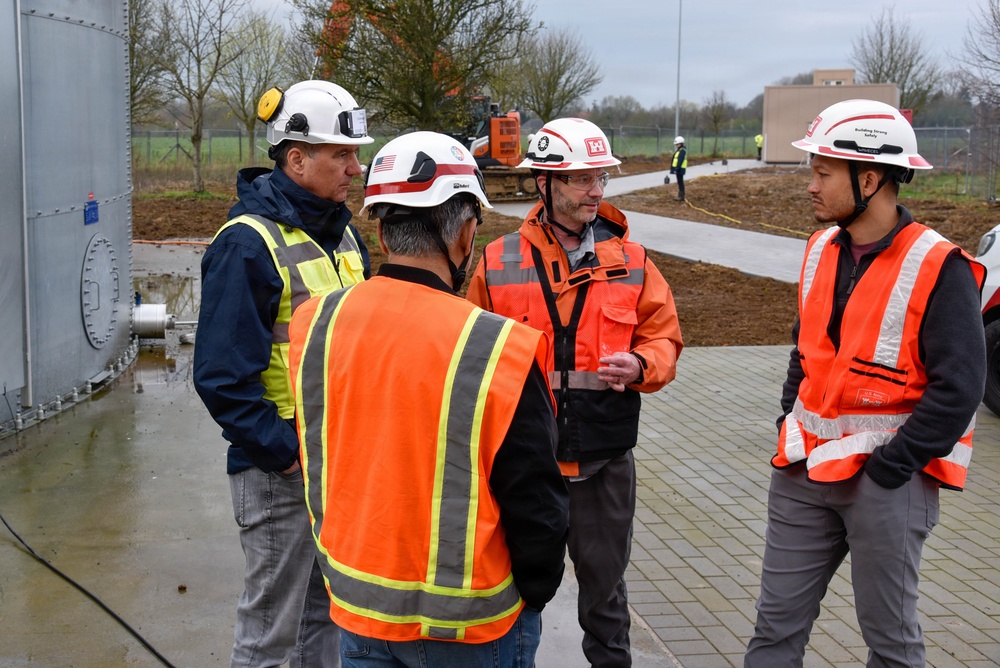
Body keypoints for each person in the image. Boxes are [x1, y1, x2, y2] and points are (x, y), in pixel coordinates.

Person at [286, 131, 570, 667]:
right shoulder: (499, 348)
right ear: (465, 234)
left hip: (358, 609)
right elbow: (537, 506)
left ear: (381, 232)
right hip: (472, 631)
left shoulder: (315, 323)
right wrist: (535, 592)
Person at [744, 99, 986, 667]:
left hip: (885, 482)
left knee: (891, 642)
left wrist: (894, 466)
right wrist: (787, 420)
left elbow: (961, 386)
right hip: (803, 471)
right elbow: (805, 352)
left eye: (823, 173)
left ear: (870, 179)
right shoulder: (818, 249)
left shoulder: (938, 264)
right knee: (774, 631)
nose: (811, 185)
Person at [467, 117, 684, 668]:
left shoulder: (632, 261)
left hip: (603, 464)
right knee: (514, 592)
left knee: (605, 596)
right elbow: (469, 351)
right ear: (545, 183)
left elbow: (664, 338)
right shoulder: (497, 262)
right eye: (582, 179)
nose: (596, 190)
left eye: (600, 178)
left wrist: (641, 363)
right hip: (524, 464)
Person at [194, 79, 374, 668]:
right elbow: (221, 378)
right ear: (296, 160)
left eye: (354, 154)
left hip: (336, 467)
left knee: (325, 621)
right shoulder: (247, 245)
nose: (355, 168)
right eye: (341, 155)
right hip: (280, 471)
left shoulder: (344, 236)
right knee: (269, 635)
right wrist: (284, 453)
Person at [669, 135, 687, 200]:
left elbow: (680, 160)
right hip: (679, 168)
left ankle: (681, 196)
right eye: (676, 144)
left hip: (680, 169)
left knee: (680, 182)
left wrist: (677, 168)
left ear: (681, 143)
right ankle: (680, 195)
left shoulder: (682, 150)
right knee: (679, 181)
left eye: (677, 144)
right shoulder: (679, 150)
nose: (676, 145)